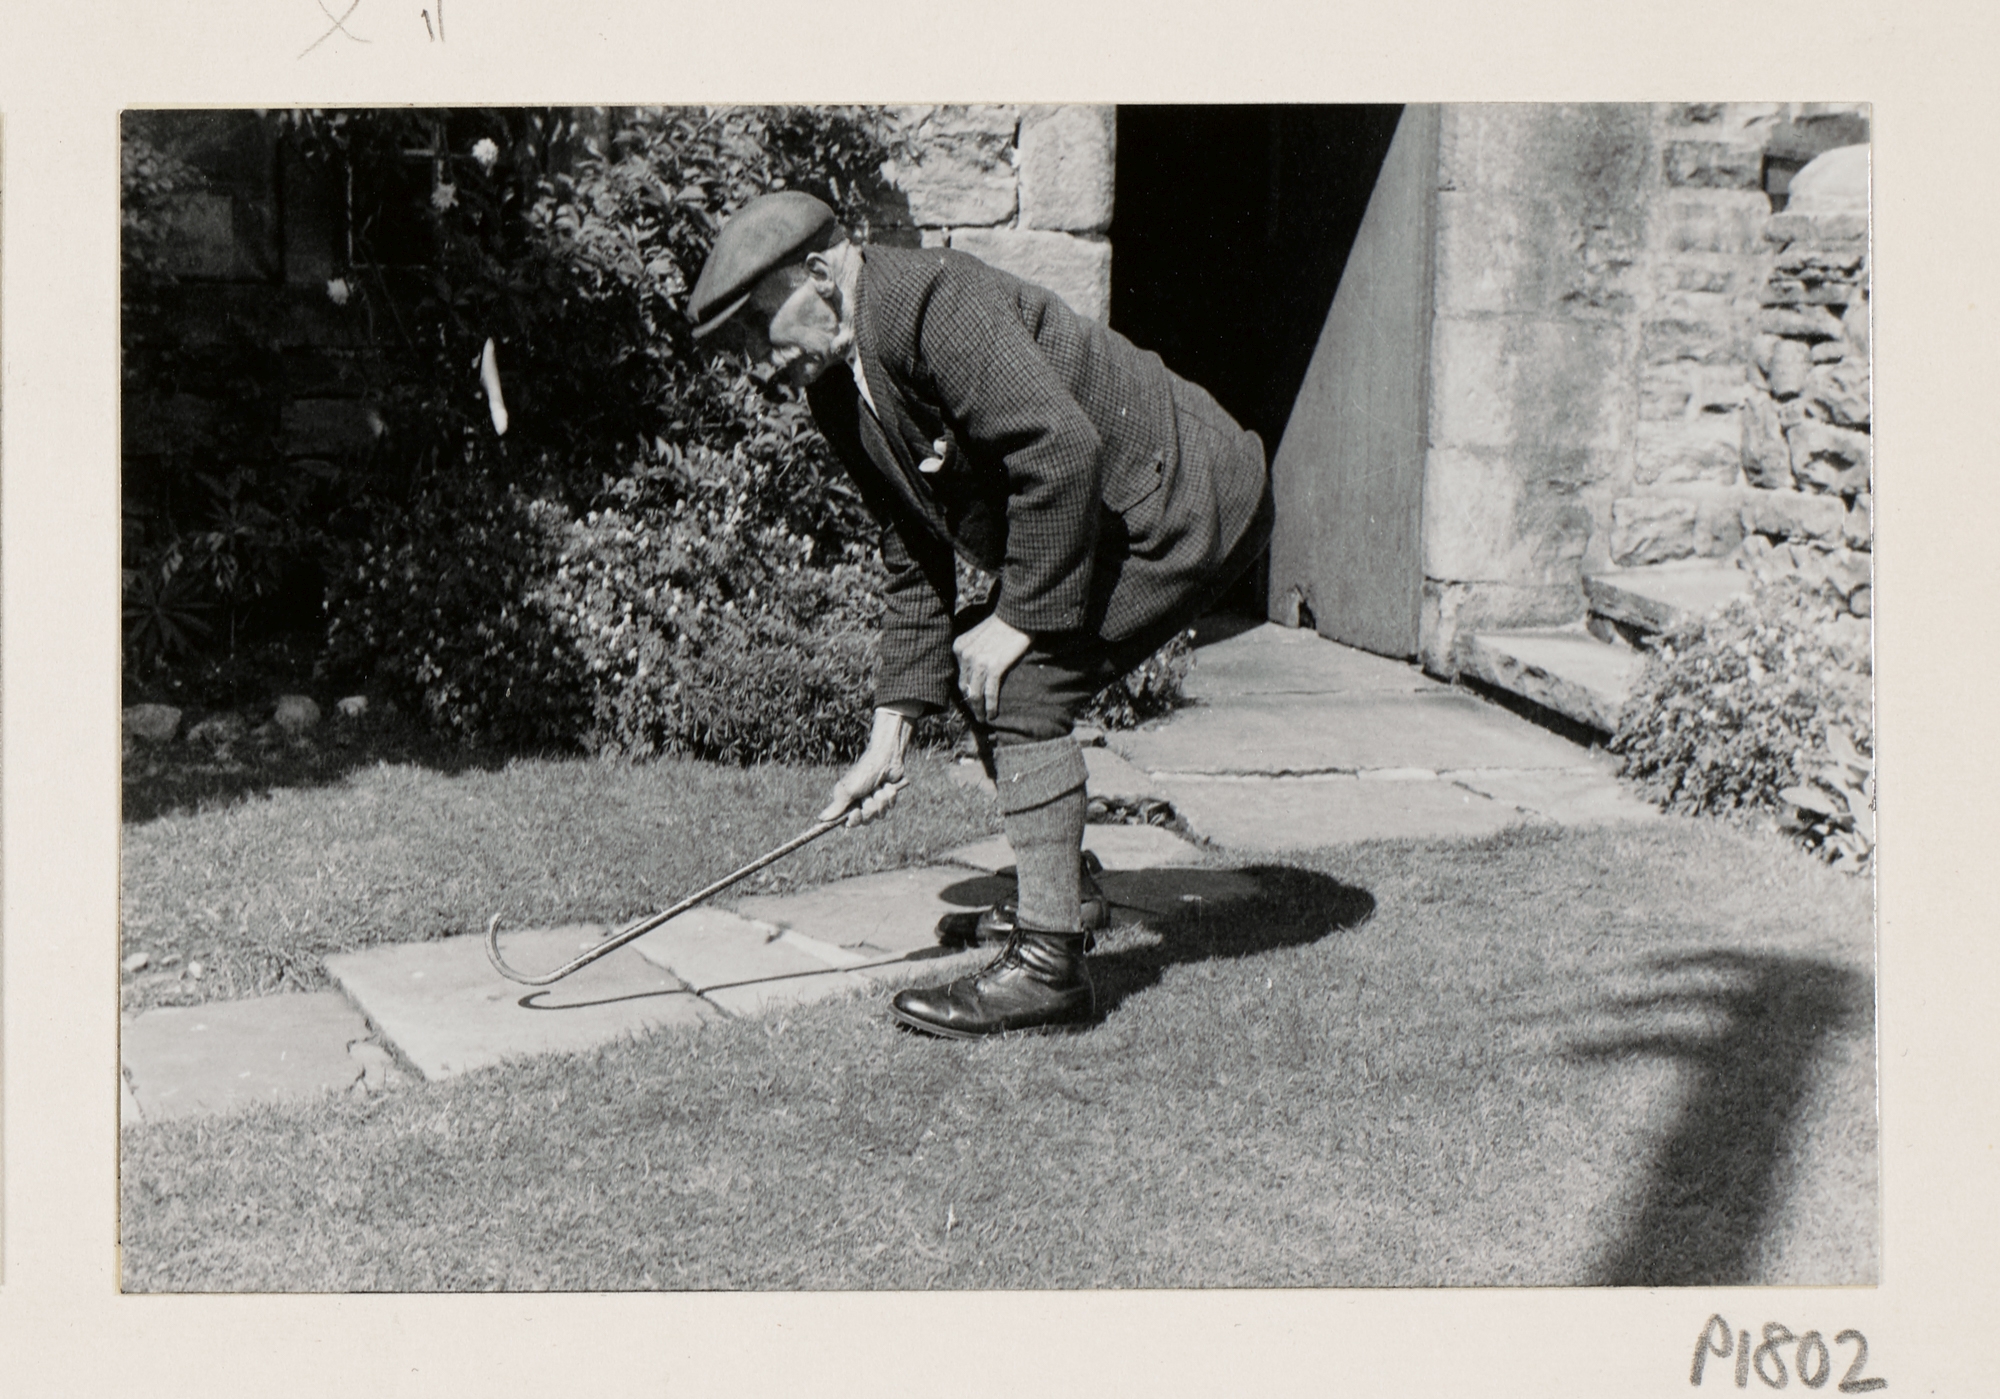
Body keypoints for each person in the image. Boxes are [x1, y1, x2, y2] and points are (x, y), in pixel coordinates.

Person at [687, 190, 1272, 1038]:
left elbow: (1060, 451)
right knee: (981, 663)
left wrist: (1021, 619)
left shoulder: (932, 304)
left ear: (818, 275)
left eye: (757, 327)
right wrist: (891, 730)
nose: (755, 360)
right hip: (1120, 505)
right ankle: (1062, 901)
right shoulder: (835, 387)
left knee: (1022, 678)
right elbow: (910, 543)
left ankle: (1049, 969)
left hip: (1188, 498)